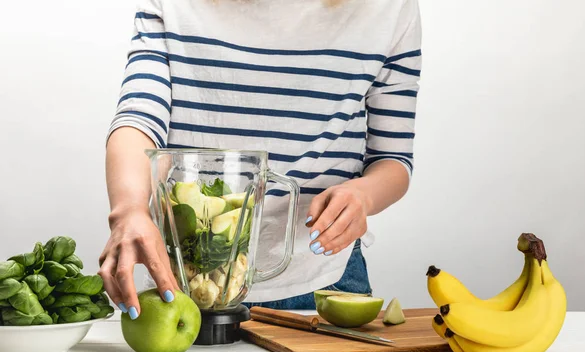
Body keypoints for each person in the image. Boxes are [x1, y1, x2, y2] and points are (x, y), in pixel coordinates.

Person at [99, 0, 422, 320]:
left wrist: (363, 196)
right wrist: (128, 210)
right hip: (189, 280)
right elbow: (139, 118)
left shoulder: (390, 8)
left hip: (325, 280)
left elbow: (391, 158)